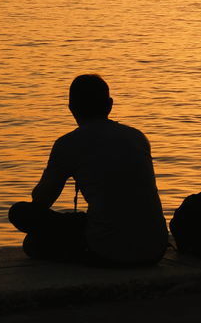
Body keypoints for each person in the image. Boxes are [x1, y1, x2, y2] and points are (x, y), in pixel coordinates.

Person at [9, 74, 168, 266]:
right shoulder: (137, 137)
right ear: (110, 105)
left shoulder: (68, 144)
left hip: (108, 251)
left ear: (71, 108)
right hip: (155, 248)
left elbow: (41, 201)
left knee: (22, 217)